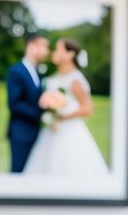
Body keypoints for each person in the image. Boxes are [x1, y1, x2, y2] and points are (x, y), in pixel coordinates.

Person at [24, 38, 109, 177]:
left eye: (58, 49)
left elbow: (88, 109)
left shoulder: (75, 79)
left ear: (70, 55)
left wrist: (60, 116)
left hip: (70, 131)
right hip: (50, 131)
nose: (54, 52)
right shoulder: (50, 79)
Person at [5, 33, 49, 173]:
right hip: (21, 133)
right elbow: (14, 103)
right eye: (44, 46)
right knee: (18, 172)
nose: (47, 51)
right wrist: (39, 114)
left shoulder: (38, 72)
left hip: (37, 132)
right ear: (32, 46)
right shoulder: (16, 71)